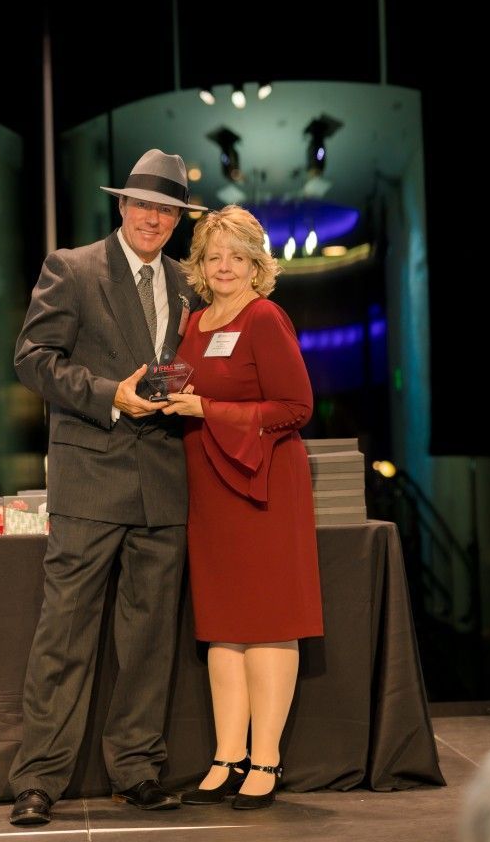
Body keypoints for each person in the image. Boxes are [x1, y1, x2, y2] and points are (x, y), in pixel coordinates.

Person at [8, 149, 206, 826]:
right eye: (144, 204)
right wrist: (108, 394)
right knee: (64, 632)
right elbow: (32, 360)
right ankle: (38, 781)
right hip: (91, 472)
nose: (154, 218)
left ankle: (139, 770)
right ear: (122, 206)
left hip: (163, 481)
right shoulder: (73, 266)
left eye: (168, 209)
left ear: (179, 219)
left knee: (150, 639)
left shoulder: (188, 283)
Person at [162, 205, 324, 810]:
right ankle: (227, 756)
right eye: (213, 255)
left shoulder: (265, 316)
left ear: (258, 263)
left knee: (268, 626)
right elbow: (182, 384)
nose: (224, 265)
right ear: (200, 266)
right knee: (223, 632)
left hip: (263, 486)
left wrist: (208, 411)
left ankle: (266, 760)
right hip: (208, 487)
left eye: (236, 255)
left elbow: (295, 407)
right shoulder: (196, 323)